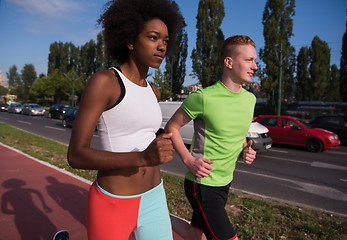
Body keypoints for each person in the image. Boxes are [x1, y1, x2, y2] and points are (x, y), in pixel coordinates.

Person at [67, 0, 182, 239]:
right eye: (153, 37)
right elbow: (76, 155)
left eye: (165, 41)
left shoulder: (154, 91)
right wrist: (142, 157)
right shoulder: (105, 82)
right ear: (130, 40)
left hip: (154, 198)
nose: (161, 46)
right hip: (112, 203)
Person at [165, 35, 258, 240]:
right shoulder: (203, 97)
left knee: (196, 235)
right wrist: (188, 160)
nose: (255, 66)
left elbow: (236, 135)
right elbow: (171, 127)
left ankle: (155, 216)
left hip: (226, 181)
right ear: (229, 62)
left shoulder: (250, 100)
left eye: (255, 61)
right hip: (203, 184)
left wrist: (245, 149)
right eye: (249, 60)